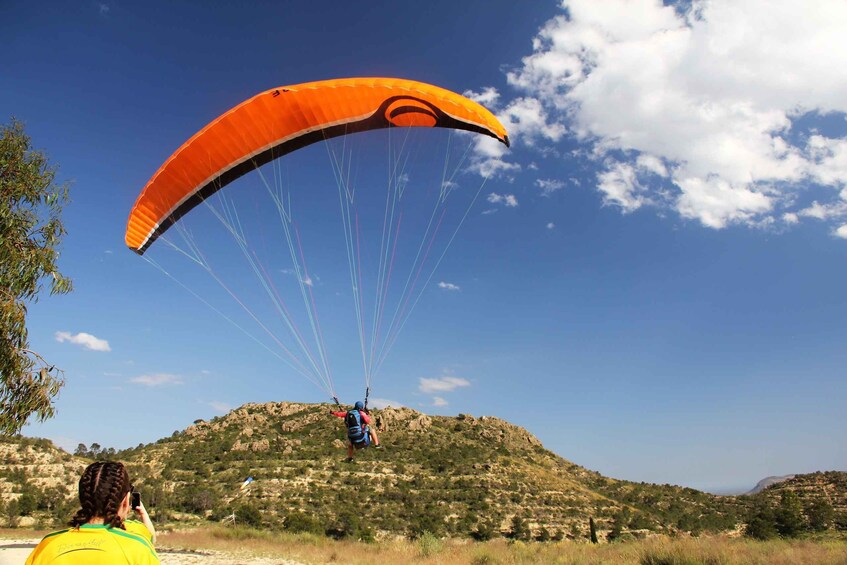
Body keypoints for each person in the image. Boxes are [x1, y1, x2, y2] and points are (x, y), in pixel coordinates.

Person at [25, 461, 159, 564]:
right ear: (125, 500)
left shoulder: (48, 544)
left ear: (82, 498)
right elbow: (151, 537)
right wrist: (143, 513)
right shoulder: (137, 548)